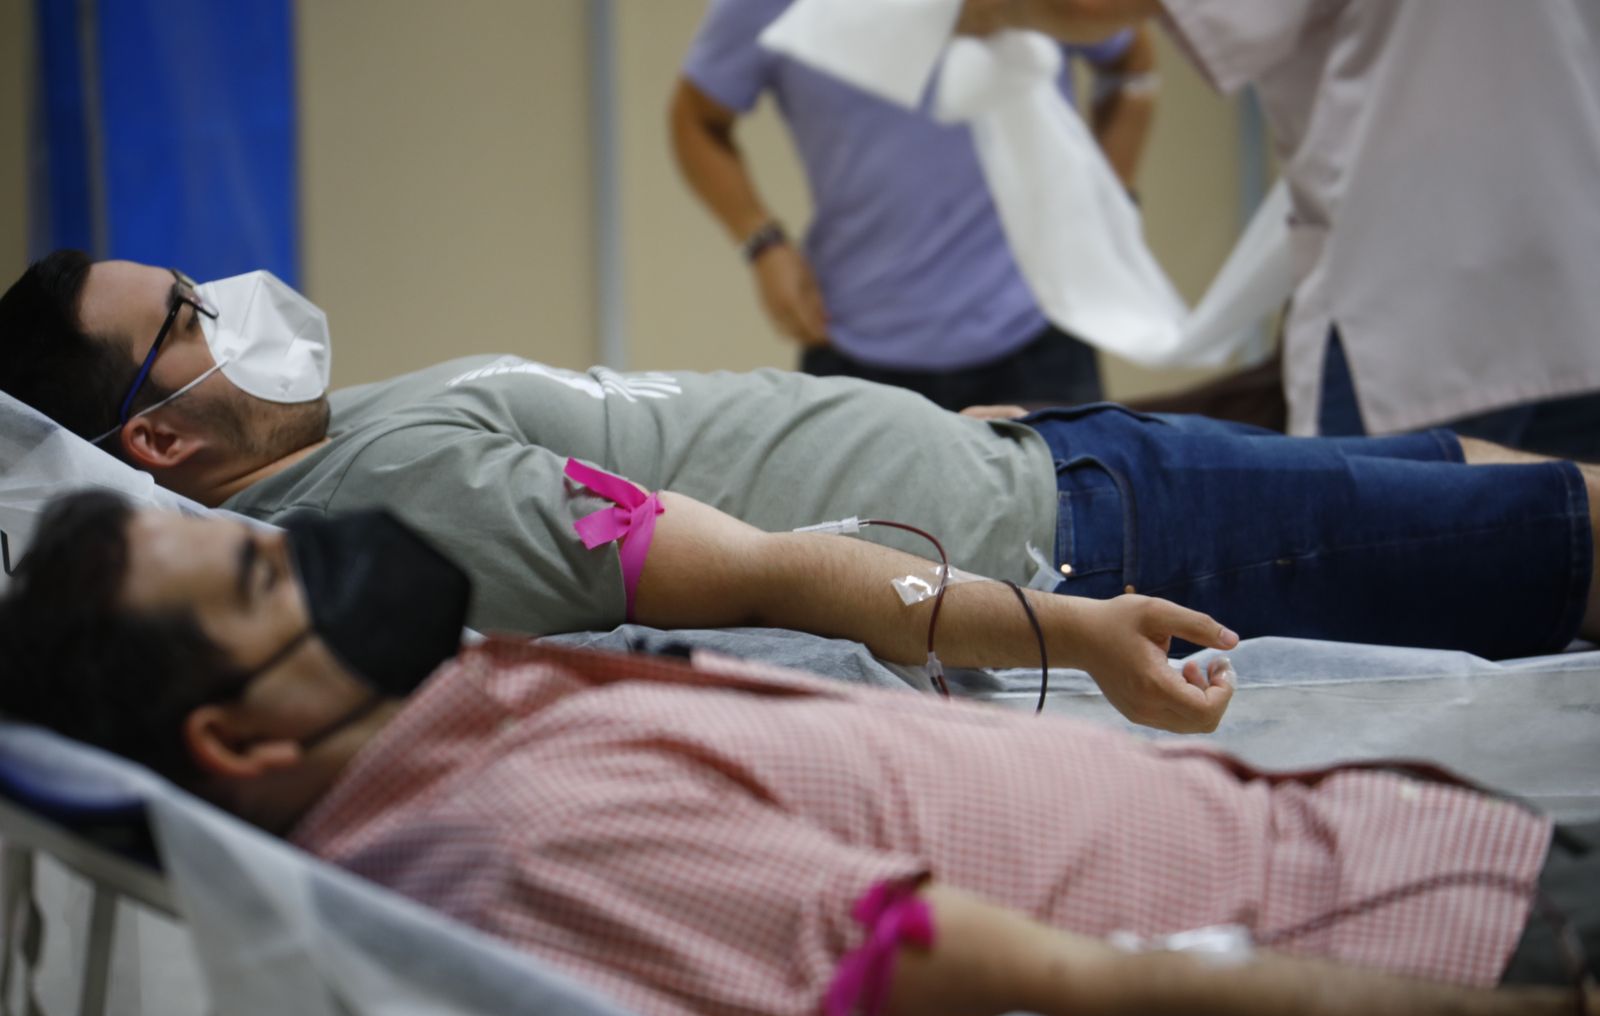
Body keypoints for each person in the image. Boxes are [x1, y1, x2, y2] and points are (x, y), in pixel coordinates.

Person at [0, 490, 1594, 1016]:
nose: (324, 561)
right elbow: (1056, 983)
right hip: (1443, 943)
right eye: (270, 583)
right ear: (242, 740)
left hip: (1401, 844)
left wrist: (1057, 630)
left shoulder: (464, 708)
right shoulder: (518, 842)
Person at [1, 253, 1598, 735]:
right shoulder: (389, 498)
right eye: (188, 317)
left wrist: (936, 428)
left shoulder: (343, 439)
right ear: (157, 435)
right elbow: (762, 571)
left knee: (1496, 489)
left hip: (1037, 462)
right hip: (1077, 539)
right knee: (1560, 542)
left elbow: (693, 443)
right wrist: (1065, 625)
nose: (228, 299)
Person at [955, 0, 1600, 458]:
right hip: (1573, 293)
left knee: (1395, 590)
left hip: (1419, 318)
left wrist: (972, 12)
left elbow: (1096, 7)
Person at [671, 0, 1158, 411]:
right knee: (847, 527)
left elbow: (1133, 63)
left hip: (1038, 329)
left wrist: (1104, 208)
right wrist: (762, 240)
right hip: (855, 339)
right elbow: (694, 118)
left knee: (1063, 521)